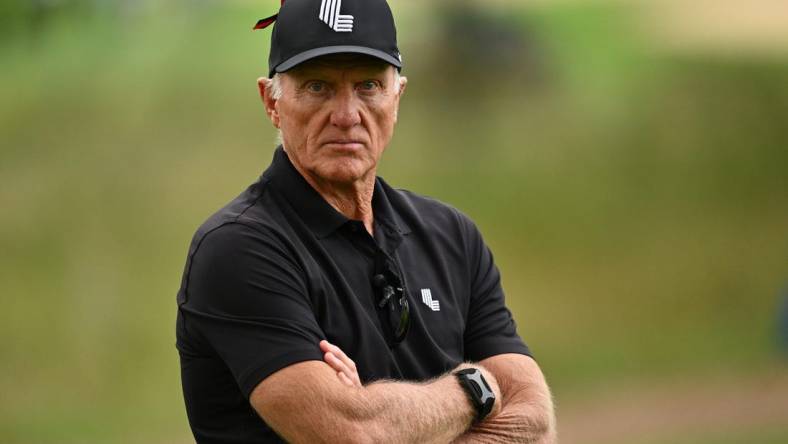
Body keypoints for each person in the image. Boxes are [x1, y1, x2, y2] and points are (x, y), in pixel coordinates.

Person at [175, 0, 556, 442]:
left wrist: (385, 418)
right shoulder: (239, 249)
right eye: (318, 86)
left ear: (397, 98)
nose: (346, 115)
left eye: (368, 85)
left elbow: (533, 421)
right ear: (272, 102)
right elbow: (355, 434)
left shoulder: (452, 236)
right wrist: (475, 388)